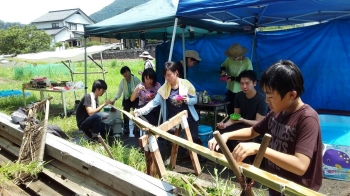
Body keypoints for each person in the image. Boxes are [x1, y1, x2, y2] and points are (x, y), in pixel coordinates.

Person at [209, 60, 323, 195]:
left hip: (297, 191)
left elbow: (300, 165)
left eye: (270, 97)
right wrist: (226, 135)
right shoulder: (276, 112)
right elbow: (253, 131)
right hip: (276, 185)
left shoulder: (307, 118)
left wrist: (259, 148)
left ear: (291, 95)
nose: (266, 101)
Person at [134, 61, 201, 161]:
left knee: (193, 138)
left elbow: (195, 99)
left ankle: (197, 157)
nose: (167, 78)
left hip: (188, 117)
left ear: (176, 73)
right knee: (170, 138)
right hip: (173, 119)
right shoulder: (164, 89)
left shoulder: (186, 84)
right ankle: (172, 158)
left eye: (169, 75)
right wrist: (140, 111)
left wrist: (188, 100)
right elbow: (154, 103)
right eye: (165, 76)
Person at [217, 70, 268, 154]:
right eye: (242, 83)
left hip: (255, 130)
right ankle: (227, 158)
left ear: (254, 83)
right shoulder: (238, 96)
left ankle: (241, 161)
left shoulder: (262, 100)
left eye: (247, 83)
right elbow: (236, 116)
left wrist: (243, 120)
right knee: (220, 132)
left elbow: (259, 123)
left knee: (235, 138)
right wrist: (225, 124)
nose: (244, 86)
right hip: (241, 125)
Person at [220, 43, 253, 114]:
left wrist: (234, 78)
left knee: (240, 109)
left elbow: (249, 77)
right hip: (231, 89)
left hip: (242, 89)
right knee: (230, 108)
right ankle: (230, 123)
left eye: (235, 57)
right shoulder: (229, 59)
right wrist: (223, 73)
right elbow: (223, 66)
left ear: (241, 55)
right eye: (232, 57)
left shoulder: (247, 61)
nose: (233, 58)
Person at [111, 66, 141, 137]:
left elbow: (140, 89)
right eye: (123, 73)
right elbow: (119, 91)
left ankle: (136, 127)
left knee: (136, 111)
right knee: (125, 112)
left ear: (130, 72)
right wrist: (114, 99)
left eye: (126, 72)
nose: (125, 74)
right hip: (127, 98)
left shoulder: (136, 79)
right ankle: (126, 127)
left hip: (136, 97)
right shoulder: (122, 81)